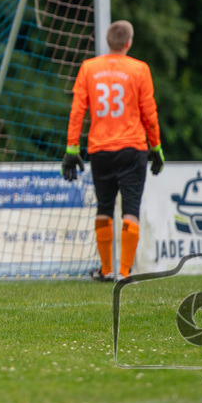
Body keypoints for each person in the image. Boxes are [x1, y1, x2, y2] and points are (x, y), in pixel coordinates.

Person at [61, 20, 164, 282]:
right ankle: (125, 272)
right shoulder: (139, 69)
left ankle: (106, 269)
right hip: (132, 147)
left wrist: (72, 148)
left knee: (104, 207)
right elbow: (149, 113)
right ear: (128, 43)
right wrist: (156, 146)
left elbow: (77, 111)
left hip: (100, 149)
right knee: (131, 208)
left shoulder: (89, 67)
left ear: (108, 42)